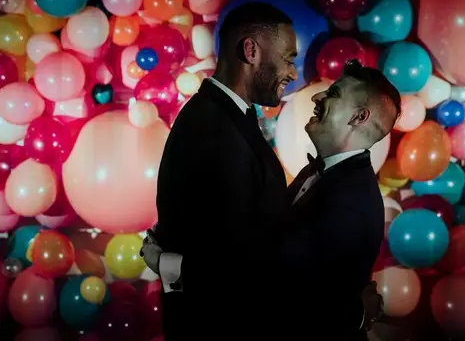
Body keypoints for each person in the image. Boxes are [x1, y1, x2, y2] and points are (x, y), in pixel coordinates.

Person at [145, 59, 399, 339]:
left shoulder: (350, 203)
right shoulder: (324, 174)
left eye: (334, 93)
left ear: (359, 117)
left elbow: (269, 280)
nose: (317, 96)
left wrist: (171, 265)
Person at [151, 2, 298, 339]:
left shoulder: (223, 117)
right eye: (288, 58)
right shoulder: (213, 129)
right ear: (251, 50)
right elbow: (230, 263)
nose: (292, 72)